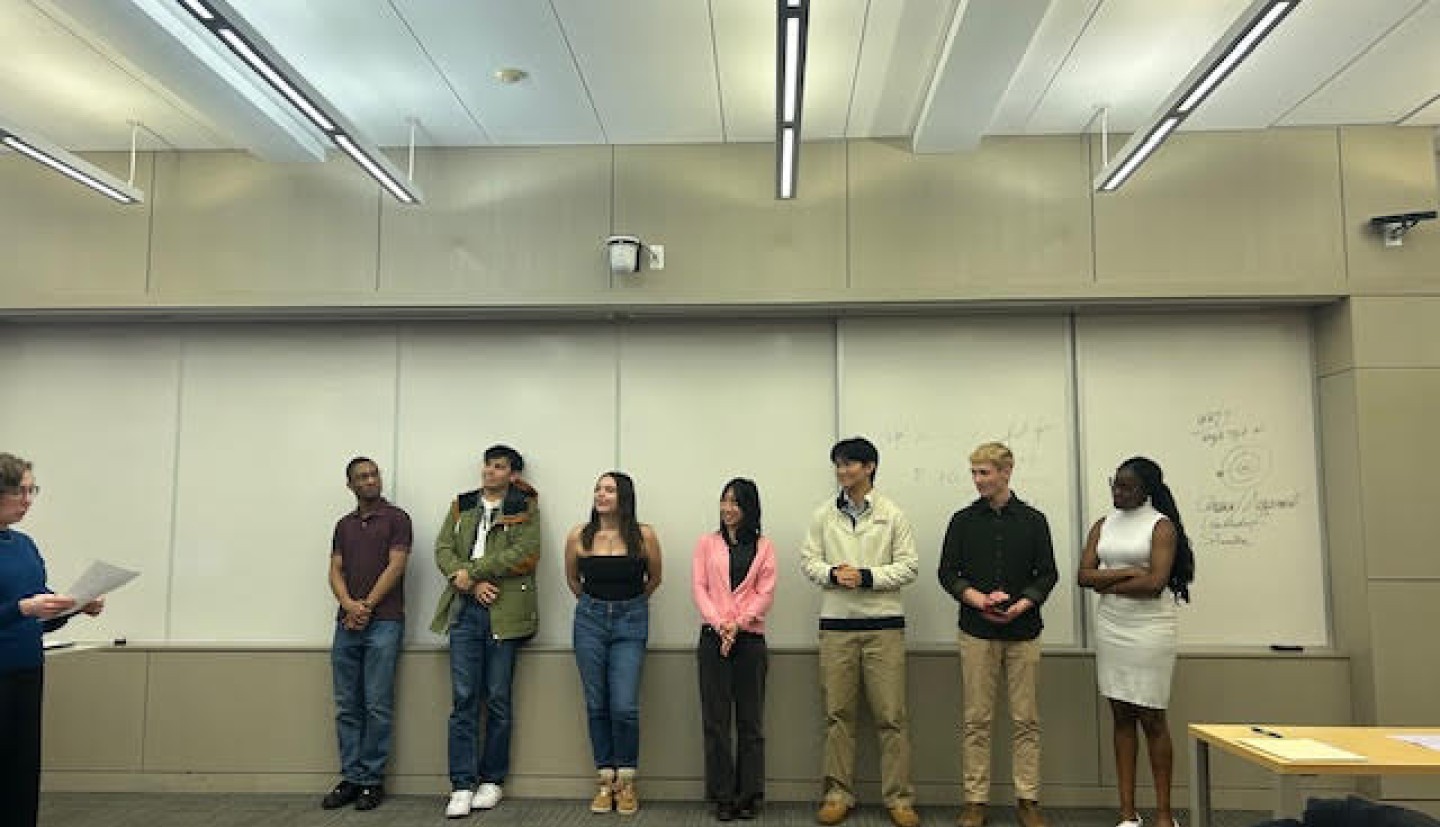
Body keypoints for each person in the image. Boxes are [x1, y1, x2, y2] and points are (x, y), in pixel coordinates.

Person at [799, 437, 921, 827]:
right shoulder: (823, 515)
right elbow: (808, 561)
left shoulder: (892, 515)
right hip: (836, 627)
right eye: (838, 464)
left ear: (869, 467)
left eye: (850, 464)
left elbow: (909, 567)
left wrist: (865, 576)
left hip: (883, 627)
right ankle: (837, 794)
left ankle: (899, 799)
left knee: (891, 716)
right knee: (838, 714)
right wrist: (833, 574)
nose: (842, 471)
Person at [937, 442, 1058, 827]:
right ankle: (975, 801)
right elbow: (948, 572)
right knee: (977, 719)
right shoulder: (962, 521)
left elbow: (1048, 573)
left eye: (984, 473)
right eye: (973, 473)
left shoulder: (1034, 520)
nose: (977, 480)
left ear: (1006, 472)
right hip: (976, 630)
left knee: (1026, 719)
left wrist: (1023, 603)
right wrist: (978, 600)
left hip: (1025, 632)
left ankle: (1028, 799)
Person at [1077, 457, 1195, 827]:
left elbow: (1154, 584)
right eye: (1115, 484)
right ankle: (1128, 813)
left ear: (1146, 489)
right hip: (1111, 627)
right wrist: (1128, 571)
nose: (1117, 492)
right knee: (1121, 717)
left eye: (1126, 487)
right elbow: (1083, 576)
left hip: (1150, 630)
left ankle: (1163, 814)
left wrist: (1106, 580)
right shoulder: (1103, 524)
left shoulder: (1161, 526)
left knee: (1153, 717)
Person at [431, 445, 541, 818]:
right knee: (463, 698)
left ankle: (492, 780)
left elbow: (526, 552)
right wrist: (466, 580)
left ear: (512, 475)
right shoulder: (462, 504)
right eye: (487, 465)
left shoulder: (524, 506)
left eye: (499, 467)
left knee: (497, 697)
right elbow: (443, 548)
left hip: (504, 613)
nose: (490, 472)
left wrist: (473, 571)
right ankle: (462, 784)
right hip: (465, 611)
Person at [0, 453, 103, 827]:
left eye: (32, 491)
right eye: (20, 491)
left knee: (21, 775)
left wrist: (76, 606)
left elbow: (39, 623)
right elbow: (22, 612)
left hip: (27, 673)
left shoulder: (25, 546)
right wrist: (21, 608)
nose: (28, 501)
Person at [564, 471, 662, 816]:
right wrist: (598, 606)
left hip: (631, 620)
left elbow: (655, 579)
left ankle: (627, 779)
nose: (601, 495)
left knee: (624, 705)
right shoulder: (579, 535)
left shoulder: (644, 535)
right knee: (597, 704)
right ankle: (605, 779)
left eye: (609, 490)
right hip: (589, 620)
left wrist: (627, 606)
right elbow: (574, 581)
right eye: (597, 488)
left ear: (624, 497)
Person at [321, 457, 413, 812]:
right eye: (362, 477)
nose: (371, 480)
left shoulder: (397, 518)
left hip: (385, 621)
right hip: (346, 624)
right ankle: (351, 776)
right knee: (347, 706)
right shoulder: (343, 525)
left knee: (376, 704)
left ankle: (372, 780)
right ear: (351, 485)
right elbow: (334, 569)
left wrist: (366, 606)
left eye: (374, 474)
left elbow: (397, 565)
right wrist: (348, 604)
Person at [691, 478, 777, 822]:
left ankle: (749, 794)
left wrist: (738, 624)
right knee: (715, 721)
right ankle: (722, 794)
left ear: (749, 507)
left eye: (736, 503)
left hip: (750, 640)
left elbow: (765, 592)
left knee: (750, 722)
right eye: (724, 501)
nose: (728, 509)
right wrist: (720, 624)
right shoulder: (706, 544)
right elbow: (700, 588)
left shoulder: (765, 546)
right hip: (713, 640)